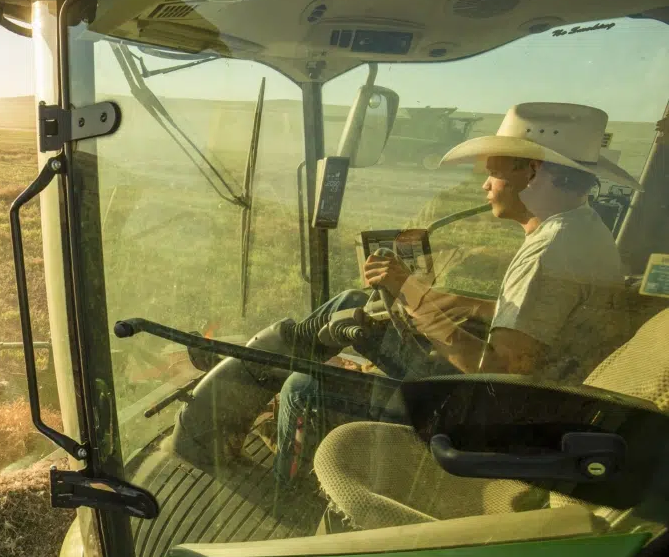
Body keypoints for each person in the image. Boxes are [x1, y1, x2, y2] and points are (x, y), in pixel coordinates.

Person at [273, 102, 639, 485]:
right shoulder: (584, 228)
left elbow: (500, 373)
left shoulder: (548, 251)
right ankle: (272, 356)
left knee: (302, 386)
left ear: (532, 173)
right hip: (551, 400)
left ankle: (282, 477)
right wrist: (463, 304)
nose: (485, 185)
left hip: (490, 414)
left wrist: (408, 290)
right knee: (352, 302)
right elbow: (543, 315)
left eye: (493, 173)